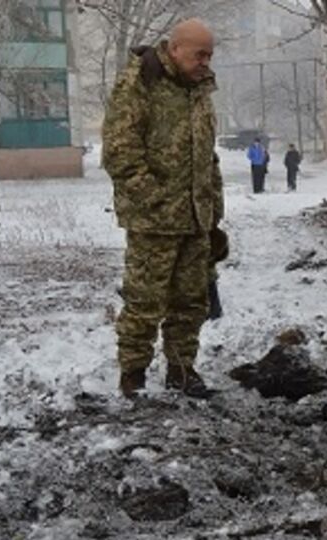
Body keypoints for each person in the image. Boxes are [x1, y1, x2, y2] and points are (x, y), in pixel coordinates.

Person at [102, 18, 225, 399]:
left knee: (192, 302)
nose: (205, 61)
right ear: (174, 49)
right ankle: (133, 377)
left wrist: (213, 210)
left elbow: (207, 157)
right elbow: (120, 153)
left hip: (195, 220)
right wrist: (154, 201)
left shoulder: (199, 91)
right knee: (144, 302)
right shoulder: (140, 84)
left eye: (210, 55)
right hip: (154, 221)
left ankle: (182, 370)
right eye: (199, 54)